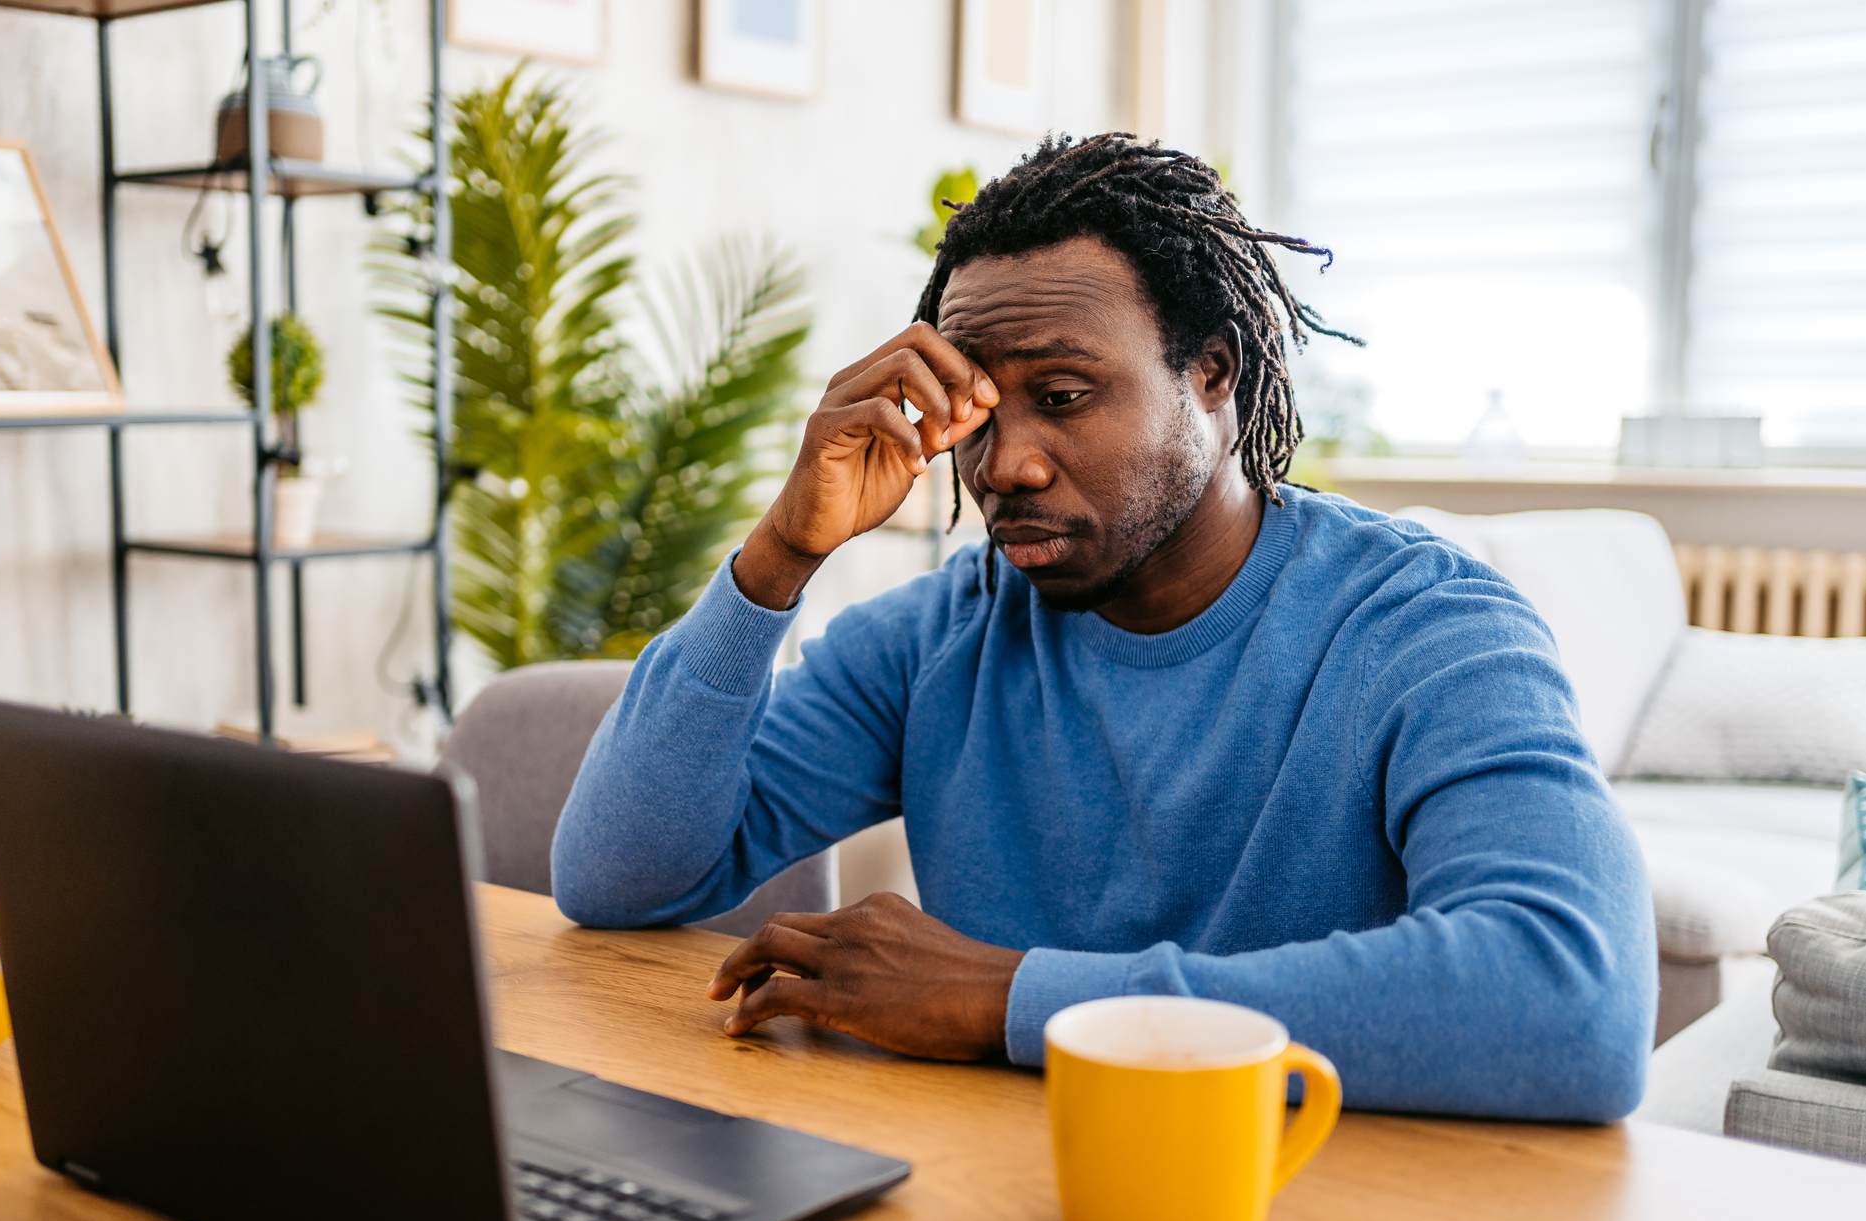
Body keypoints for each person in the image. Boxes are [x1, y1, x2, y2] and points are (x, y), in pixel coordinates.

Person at [551, 135, 1654, 1121]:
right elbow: (615, 875)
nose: (1006, 463)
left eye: (1067, 396)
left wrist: (1002, 995)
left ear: (1211, 377)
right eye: (979, 407)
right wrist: (779, 555)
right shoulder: (944, 635)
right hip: (1003, 1217)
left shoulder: (1422, 628)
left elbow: (1571, 999)